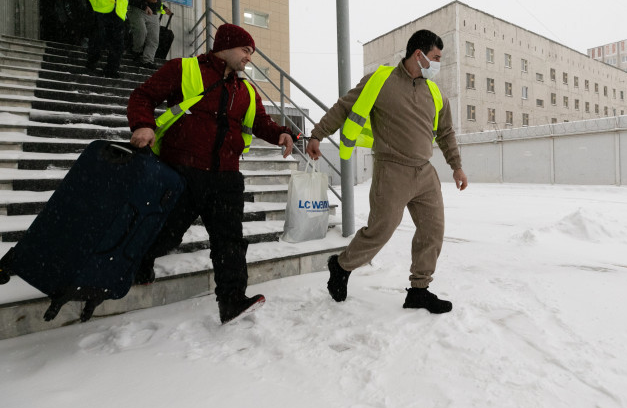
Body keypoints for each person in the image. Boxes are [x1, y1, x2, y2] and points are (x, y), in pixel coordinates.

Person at [127, 24, 295, 324]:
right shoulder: (184, 69)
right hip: (182, 171)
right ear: (225, 46)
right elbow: (143, 96)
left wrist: (281, 133)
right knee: (167, 235)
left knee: (230, 241)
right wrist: (143, 124)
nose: (249, 58)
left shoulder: (245, 90)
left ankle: (231, 301)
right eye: (245, 50)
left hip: (226, 177)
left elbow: (261, 122)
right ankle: (140, 259)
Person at [306, 29, 468, 314]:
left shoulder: (435, 93)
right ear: (418, 54)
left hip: (425, 172)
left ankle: (419, 290)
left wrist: (456, 166)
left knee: (432, 230)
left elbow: (446, 133)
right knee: (380, 231)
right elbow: (344, 107)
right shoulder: (380, 81)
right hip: (392, 171)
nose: (438, 63)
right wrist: (318, 134)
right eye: (435, 57)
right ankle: (341, 266)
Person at [64, 0, 130, 78]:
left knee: (118, 43)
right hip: (97, 10)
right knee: (98, 39)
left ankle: (112, 70)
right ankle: (91, 64)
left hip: (117, 13)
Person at [127, 0, 172, 69]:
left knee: (154, 39)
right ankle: (136, 52)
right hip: (137, 9)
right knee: (141, 32)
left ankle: (148, 60)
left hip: (153, 14)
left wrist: (164, 8)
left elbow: (157, 0)